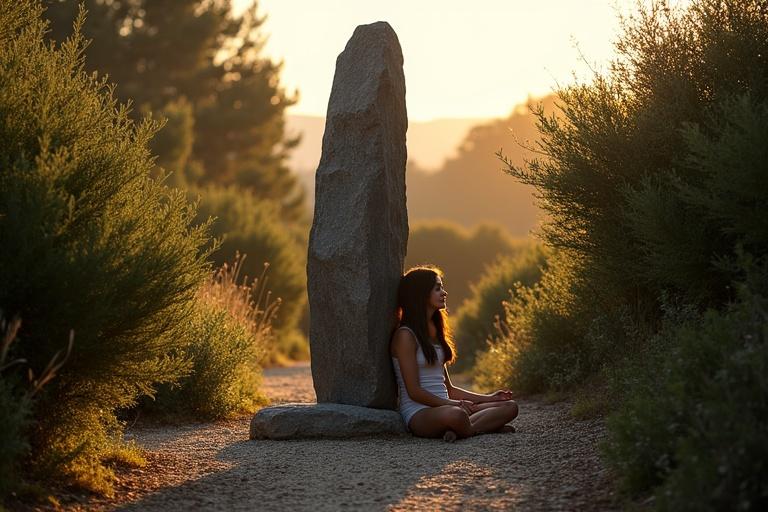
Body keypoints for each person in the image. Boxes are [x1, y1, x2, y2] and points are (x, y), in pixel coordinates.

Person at [390, 265, 519, 441]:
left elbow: (449, 389)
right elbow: (414, 392)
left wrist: (488, 398)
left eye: (442, 287)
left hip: (449, 406)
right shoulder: (405, 335)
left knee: (509, 406)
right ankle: (478, 427)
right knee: (457, 416)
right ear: (421, 294)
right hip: (419, 412)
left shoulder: (435, 332)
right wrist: (454, 405)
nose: (444, 293)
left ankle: (461, 430)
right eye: (437, 288)